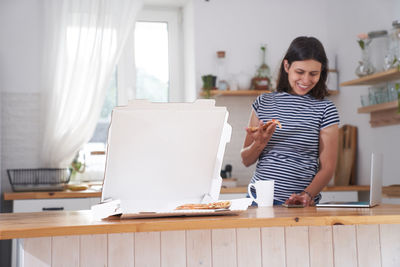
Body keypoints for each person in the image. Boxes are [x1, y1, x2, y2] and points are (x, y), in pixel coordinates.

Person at [241, 36, 339, 207]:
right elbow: (246, 160)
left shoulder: (325, 109)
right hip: (258, 201)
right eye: (300, 72)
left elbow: (328, 168)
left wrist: (306, 195)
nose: (306, 80)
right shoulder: (263, 103)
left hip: (300, 205)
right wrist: (259, 143)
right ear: (287, 66)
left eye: (313, 74)